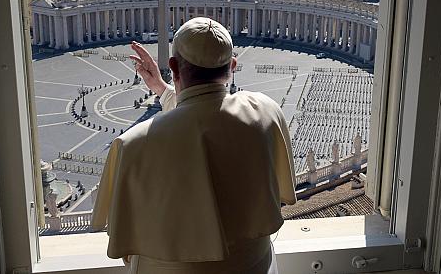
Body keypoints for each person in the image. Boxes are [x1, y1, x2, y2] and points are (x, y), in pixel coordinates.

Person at [91, 17, 296, 274]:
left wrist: (167, 89)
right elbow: (207, 114)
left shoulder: (132, 144)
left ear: (173, 65)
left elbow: (127, 241)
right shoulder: (266, 110)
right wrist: (163, 90)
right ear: (232, 66)